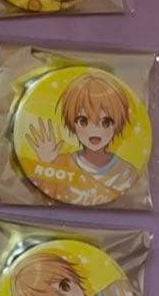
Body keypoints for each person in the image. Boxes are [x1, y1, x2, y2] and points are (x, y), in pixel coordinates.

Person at [25, 72, 139, 202]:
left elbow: (132, 199)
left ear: (117, 125)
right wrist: (46, 164)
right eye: (83, 121)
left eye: (106, 122)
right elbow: (36, 194)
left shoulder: (126, 172)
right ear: (72, 123)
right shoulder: (61, 163)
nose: (94, 130)